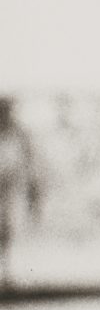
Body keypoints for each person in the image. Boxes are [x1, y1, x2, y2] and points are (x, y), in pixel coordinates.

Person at [0, 95, 43, 289]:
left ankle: (6, 273)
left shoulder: (18, 133)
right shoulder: (15, 134)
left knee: (6, 229)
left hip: (8, 189)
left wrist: (33, 193)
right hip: (7, 187)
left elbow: (29, 162)